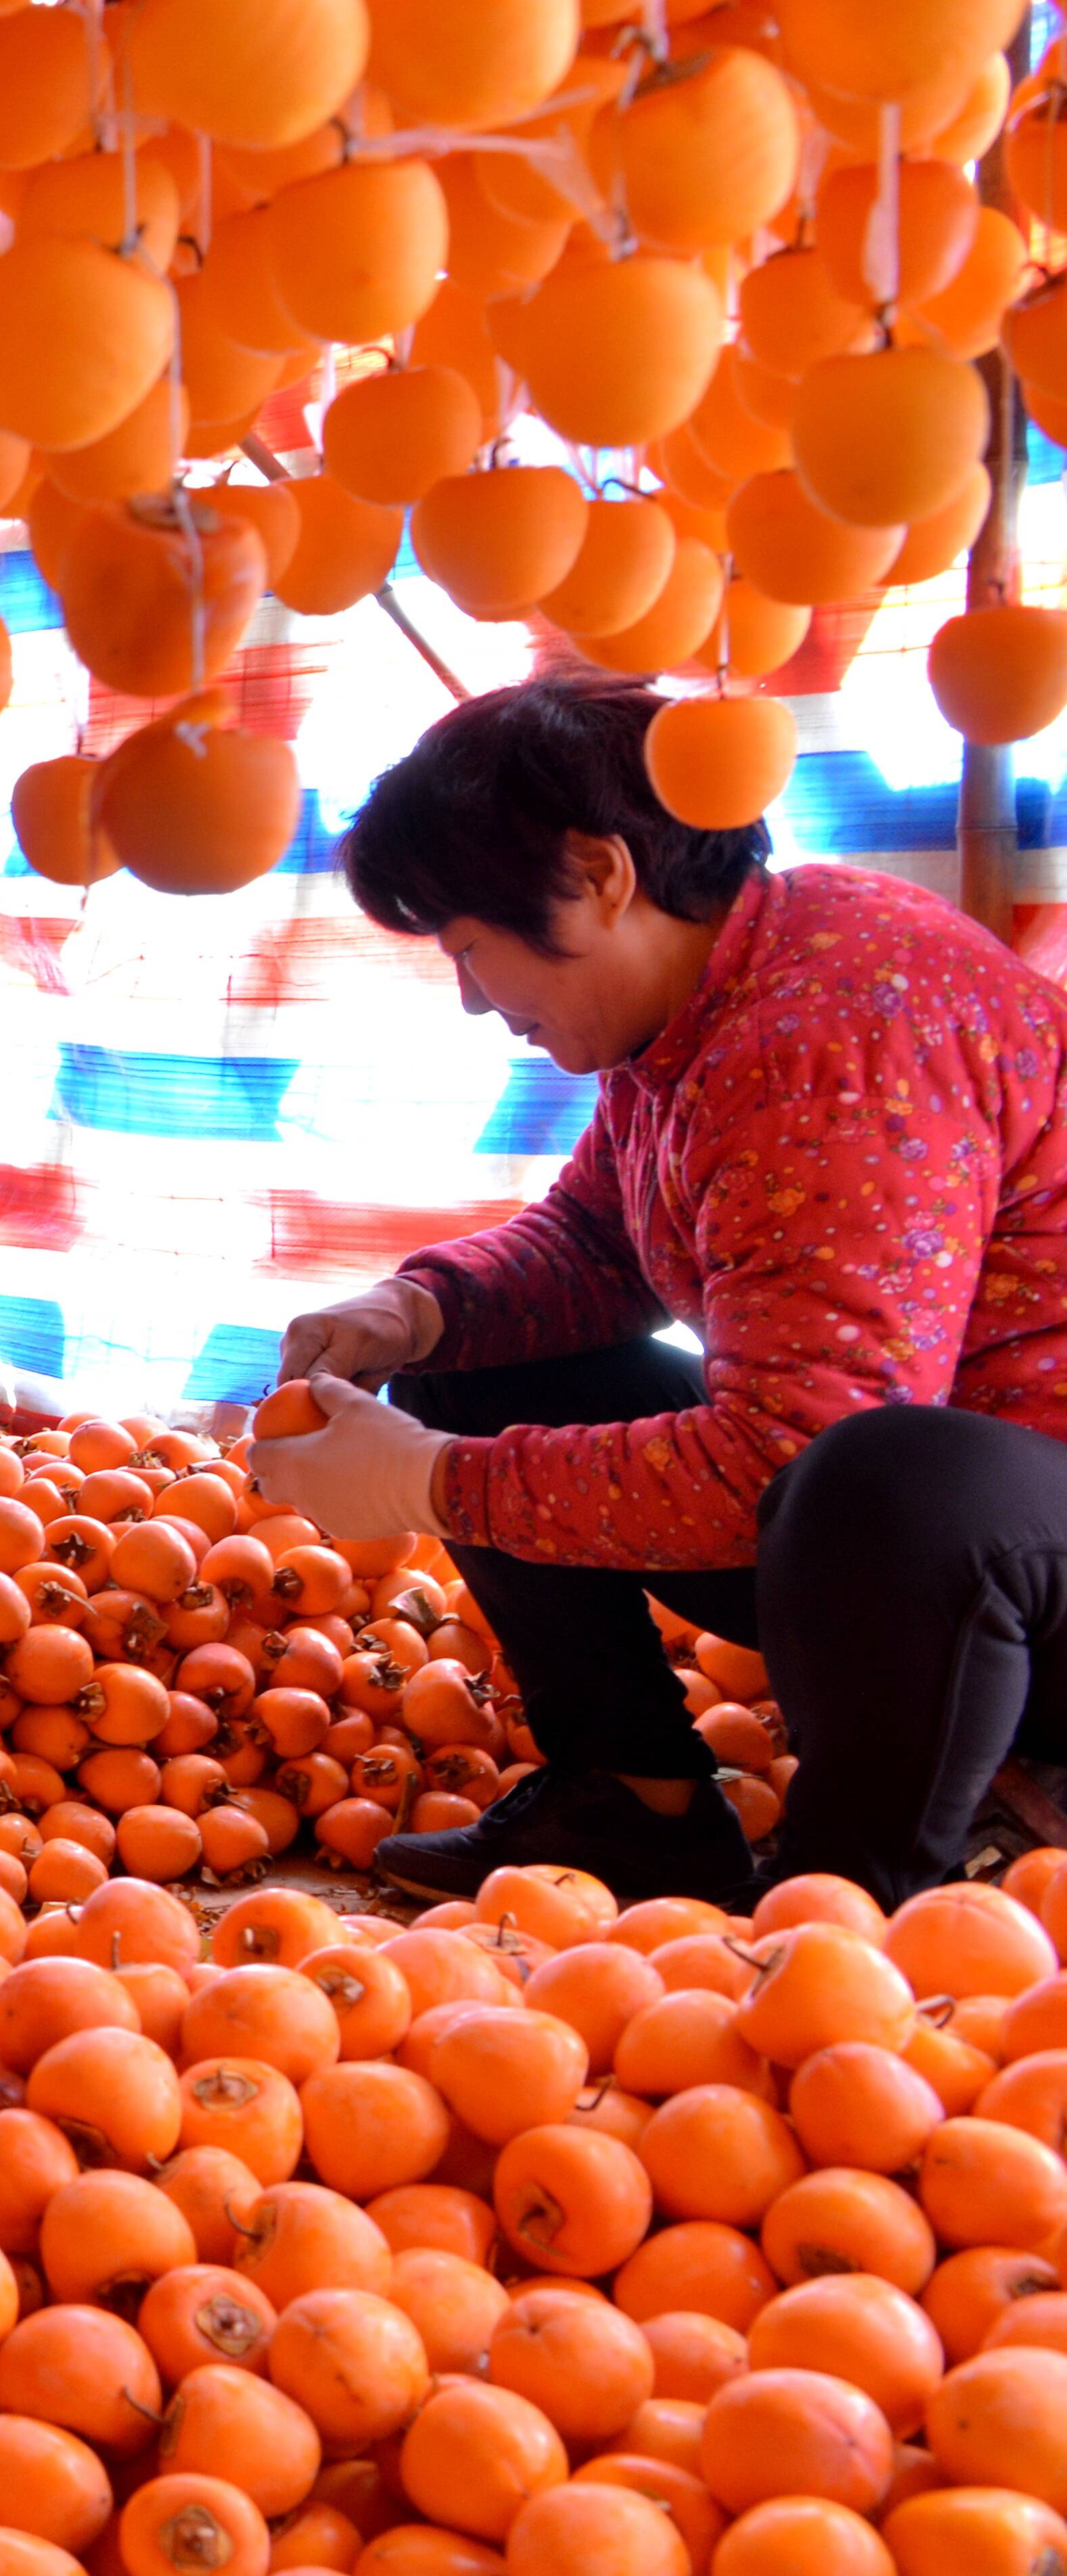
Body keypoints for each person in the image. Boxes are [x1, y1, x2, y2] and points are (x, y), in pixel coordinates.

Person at [244, 669, 1067, 1905]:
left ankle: (848, 1909)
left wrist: (429, 1481)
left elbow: (796, 1448)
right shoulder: (695, 1015)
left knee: (882, 1482)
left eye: (471, 945)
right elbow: (594, 1247)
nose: (473, 998)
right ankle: (636, 1806)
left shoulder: (836, 1029)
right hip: (913, 1563)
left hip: (998, 1568)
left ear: (600, 874)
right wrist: (418, 1310)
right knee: (478, 1350)